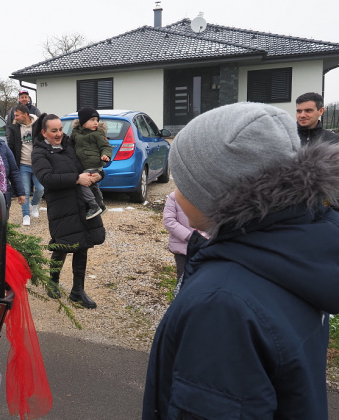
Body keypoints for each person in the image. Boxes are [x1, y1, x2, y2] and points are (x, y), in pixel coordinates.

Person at [143, 102, 339, 419]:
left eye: (182, 183)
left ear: (212, 193)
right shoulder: (305, 253)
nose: (176, 195)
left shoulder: (221, 303)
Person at [31, 113, 105, 309]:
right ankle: (53, 281)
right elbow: (46, 178)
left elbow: (90, 162)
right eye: (54, 131)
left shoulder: (71, 144)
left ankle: (77, 291)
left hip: (82, 204)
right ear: (44, 132)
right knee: (62, 244)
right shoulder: (39, 153)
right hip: (62, 206)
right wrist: (76, 179)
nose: (58, 134)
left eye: (60, 130)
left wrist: (97, 174)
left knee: (83, 245)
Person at [70, 107, 110, 219]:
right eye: (92, 120)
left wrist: (106, 155)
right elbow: (69, 143)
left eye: (97, 120)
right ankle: (101, 205)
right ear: (83, 122)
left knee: (83, 183)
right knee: (93, 185)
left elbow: (106, 146)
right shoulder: (75, 133)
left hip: (94, 164)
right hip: (84, 165)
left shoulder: (98, 134)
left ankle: (93, 206)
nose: (95, 123)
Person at [6, 104, 43, 226]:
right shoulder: (15, 128)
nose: (15, 117)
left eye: (17, 115)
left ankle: (34, 204)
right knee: (25, 192)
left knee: (40, 189)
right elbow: (11, 146)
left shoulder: (38, 125)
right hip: (23, 165)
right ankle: (26, 215)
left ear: (25, 114)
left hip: (37, 164)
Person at [162, 191, 206, 281]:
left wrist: (204, 237)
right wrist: (190, 236)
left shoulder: (208, 195)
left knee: (203, 279)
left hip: (205, 246)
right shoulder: (174, 197)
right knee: (183, 279)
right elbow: (169, 221)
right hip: (182, 249)